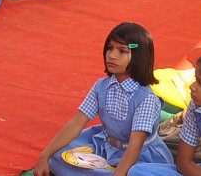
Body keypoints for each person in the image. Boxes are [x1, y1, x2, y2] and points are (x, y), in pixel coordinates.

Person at [34, 22, 172, 176]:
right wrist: (44, 155)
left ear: (139, 57)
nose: (112, 55)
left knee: (135, 173)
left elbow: (135, 146)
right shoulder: (101, 86)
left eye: (122, 51)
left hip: (139, 157)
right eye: (109, 48)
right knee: (58, 155)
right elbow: (77, 122)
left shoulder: (146, 98)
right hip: (106, 145)